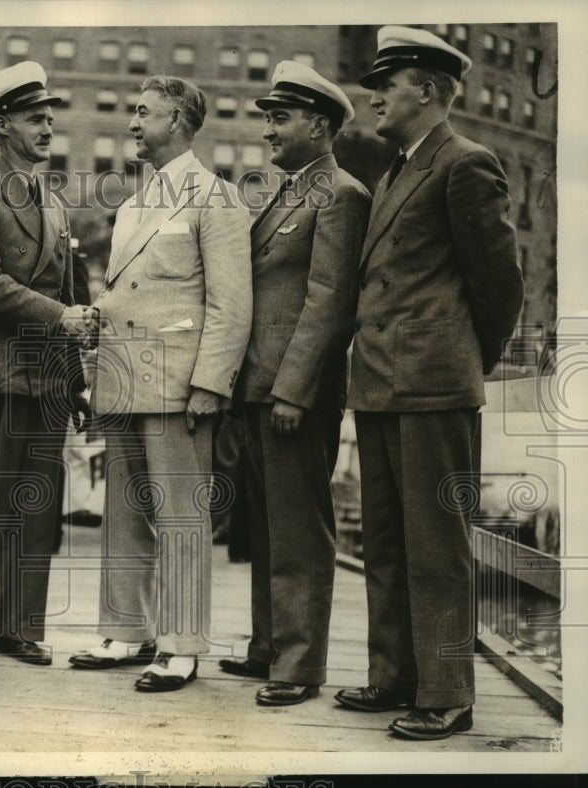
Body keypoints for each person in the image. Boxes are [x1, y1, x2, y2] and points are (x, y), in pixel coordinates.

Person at [335, 26, 524, 739]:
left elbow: (499, 284)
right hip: (381, 383)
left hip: (434, 385)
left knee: (438, 546)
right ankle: (394, 675)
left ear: (429, 90)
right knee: (385, 541)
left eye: (388, 85)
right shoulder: (398, 170)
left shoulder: (465, 162)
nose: (374, 97)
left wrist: (464, 360)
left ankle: (446, 693)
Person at [69, 75, 252, 691]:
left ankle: (180, 646)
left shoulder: (217, 198)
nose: (132, 123)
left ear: (176, 119)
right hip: (123, 378)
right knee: (124, 512)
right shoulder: (133, 205)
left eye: (144, 112)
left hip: (178, 385)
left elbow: (231, 306)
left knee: (181, 517)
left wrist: (211, 385)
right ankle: (126, 630)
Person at [217, 62, 371, 705]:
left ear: (320, 124)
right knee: (266, 527)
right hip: (258, 389)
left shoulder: (341, 194)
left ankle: (300, 665)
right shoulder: (289, 192)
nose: (268, 132)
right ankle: (269, 649)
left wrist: (293, 390)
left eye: (280, 119)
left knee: (300, 531)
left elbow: (330, 303)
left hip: (292, 395)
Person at [0, 61, 93, 676]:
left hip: (46, 381)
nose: (47, 127)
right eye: (35, 118)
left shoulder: (52, 200)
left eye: (49, 117)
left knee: (37, 510)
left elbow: (69, 288)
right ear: (3, 125)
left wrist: (75, 382)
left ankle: (18, 629)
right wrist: (61, 318)